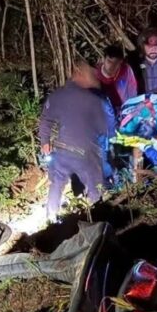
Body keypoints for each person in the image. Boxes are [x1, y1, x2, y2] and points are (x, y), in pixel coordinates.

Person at [39, 59, 110, 222]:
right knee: (94, 184)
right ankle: (95, 217)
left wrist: (45, 141)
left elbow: (46, 120)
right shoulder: (92, 99)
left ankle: (51, 217)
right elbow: (103, 128)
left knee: (57, 183)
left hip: (61, 149)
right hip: (84, 151)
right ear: (80, 74)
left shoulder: (58, 95)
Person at [95, 45, 138, 112]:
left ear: (121, 62)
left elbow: (132, 89)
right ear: (103, 59)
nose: (112, 66)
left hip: (128, 108)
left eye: (116, 63)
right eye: (109, 61)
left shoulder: (126, 70)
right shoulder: (96, 75)